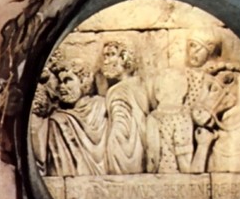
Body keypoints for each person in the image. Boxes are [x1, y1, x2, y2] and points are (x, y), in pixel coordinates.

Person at [46, 58, 107, 176]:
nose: (61, 87)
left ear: (83, 81)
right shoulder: (59, 121)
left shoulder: (103, 106)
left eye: (67, 80)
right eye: (60, 82)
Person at [146, 70, 215, 174]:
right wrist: (203, 145)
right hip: (176, 178)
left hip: (155, 177)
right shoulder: (182, 118)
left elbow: (152, 161)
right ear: (182, 92)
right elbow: (186, 167)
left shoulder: (152, 117)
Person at [100, 40, 149, 175]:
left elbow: (119, 131)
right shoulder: (139, 86)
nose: (105, 62)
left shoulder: (118, 90)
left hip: (122, 155)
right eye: (105, 56)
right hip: (139, 155)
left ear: (123, 58)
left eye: (111, 55)